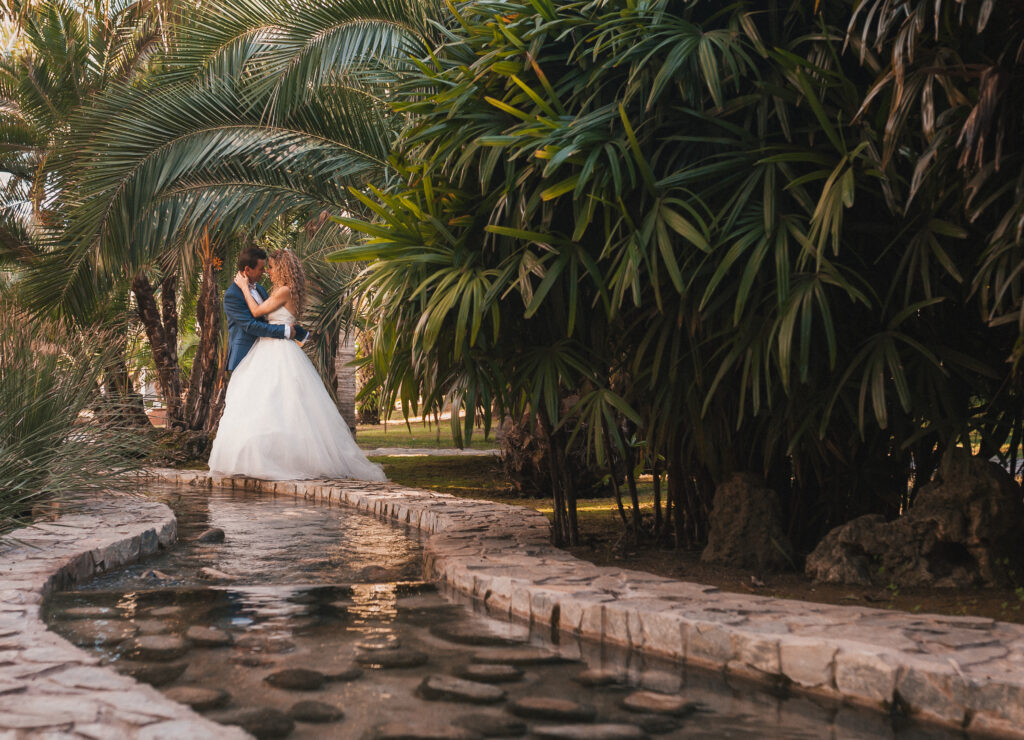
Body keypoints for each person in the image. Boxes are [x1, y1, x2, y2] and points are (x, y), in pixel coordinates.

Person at [207, 248, 386, 482]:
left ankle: (279, 460)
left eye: (269, 267)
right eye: (262, 268)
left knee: (282, 406)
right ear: (247, 270)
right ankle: (254, 459)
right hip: (250, 353)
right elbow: (251, 325)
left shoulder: (265, 290)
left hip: (272, 352)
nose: (265, 272)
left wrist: (292, 331)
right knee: (259, 407)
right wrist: (292, 332)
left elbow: (266, 314)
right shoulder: (233, 295)